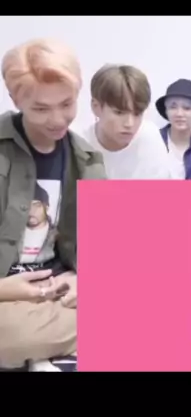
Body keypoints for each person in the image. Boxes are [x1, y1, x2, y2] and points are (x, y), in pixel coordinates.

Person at [0, 38, 106, 372]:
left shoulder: (87, 158)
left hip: (58, 288)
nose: (58, 119)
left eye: (67, 104)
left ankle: (42, 348)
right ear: (15, 98)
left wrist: (85, 278)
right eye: (41, 109)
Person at [82, 64, 171, 179]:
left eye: (137, 113)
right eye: (119, 113)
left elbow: (162, 189)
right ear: (96, 107)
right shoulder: (78, 143)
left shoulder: (149, 137)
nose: (129, 124)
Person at [156, 79, 191, 179]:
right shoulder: (152, 141)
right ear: (166, 110)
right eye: (173, 107)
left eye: (187, 108)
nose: (179, 114)